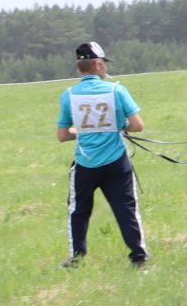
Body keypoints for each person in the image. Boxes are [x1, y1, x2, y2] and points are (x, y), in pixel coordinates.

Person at [56, 41, 149, 267]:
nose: (105, 67)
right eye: (104, 63)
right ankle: (138, 257)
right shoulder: (117, 90)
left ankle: (76, 259)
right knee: (126, 210)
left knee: (78, 211)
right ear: (97, 65)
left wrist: (83, 131)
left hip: (85, 164)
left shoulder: (69, 95)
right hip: (116, 162)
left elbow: (62, 135)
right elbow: (137, 125)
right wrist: (117, 127)